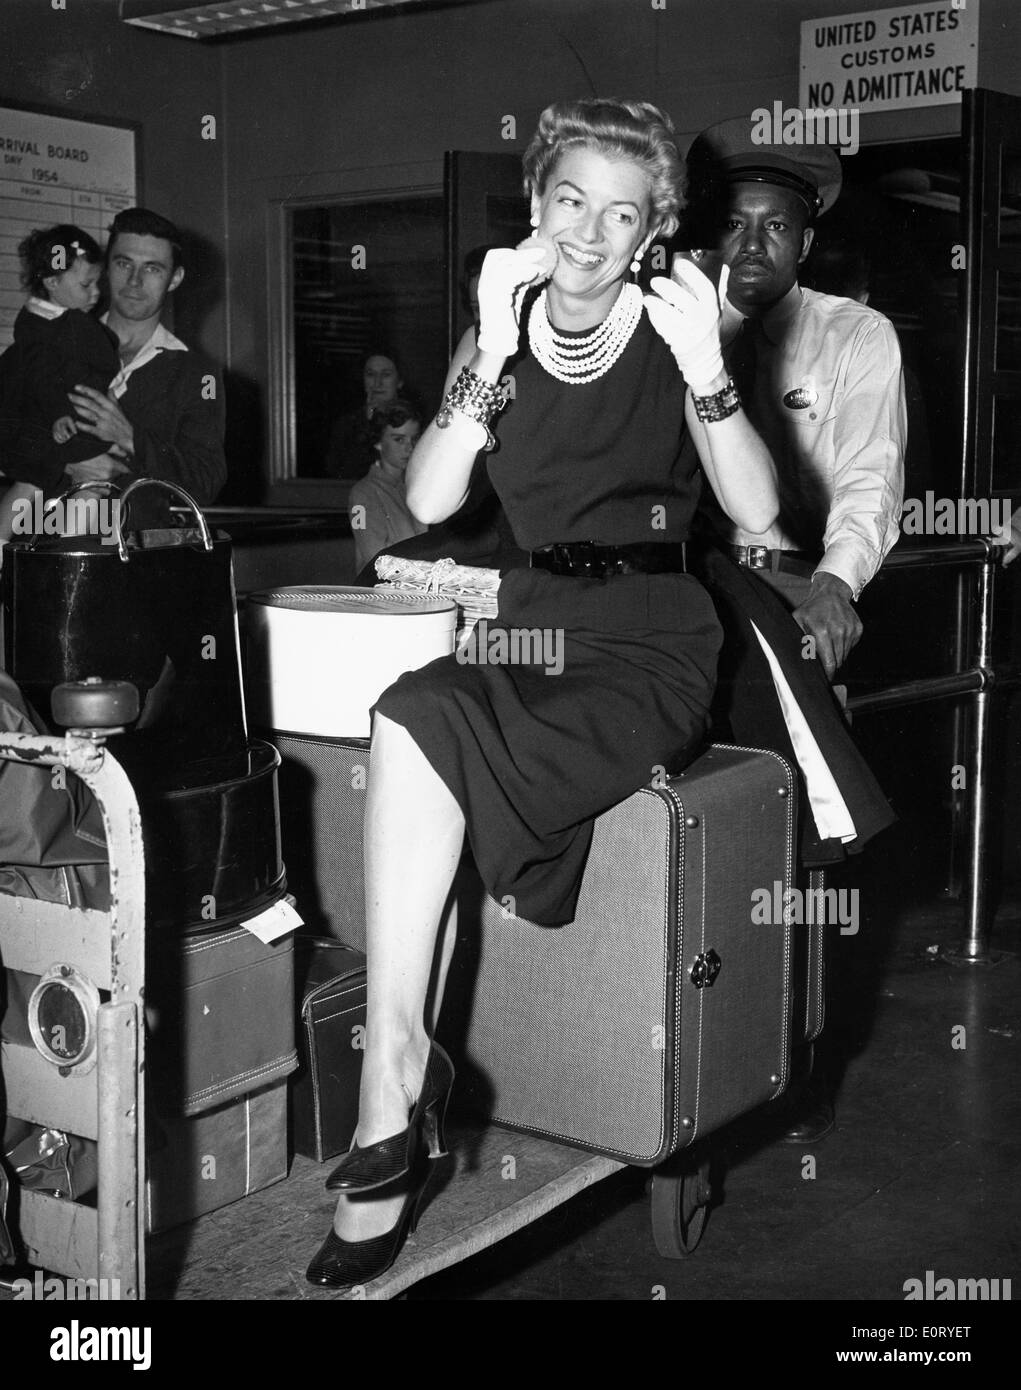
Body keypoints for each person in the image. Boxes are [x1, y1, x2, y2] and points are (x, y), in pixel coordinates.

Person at [305, 97, 781, 1288]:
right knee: (416, 709)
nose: (588, 231)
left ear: (650, 232)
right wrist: (487, 350)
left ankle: (389, 1110)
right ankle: (398, 1070)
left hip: (652, 638)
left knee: (434, 724)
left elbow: (766, 514)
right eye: (569, 200)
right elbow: (425, 500)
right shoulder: (499, 330)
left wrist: (711, 374)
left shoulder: (680, 326)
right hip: (530, 628)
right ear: (536, 208)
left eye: (621, 214)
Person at [686, 117, 906, 683]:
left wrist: (835, 583)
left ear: (805, 243)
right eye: (736, 223)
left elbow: (870, 474)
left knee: (805, 763)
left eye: (777, 225)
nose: (753, 245)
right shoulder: (676, 330)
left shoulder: (857, 334)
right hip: (687, 585)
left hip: (796, 590)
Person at [59, 207, 226, 526]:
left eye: (152, 268)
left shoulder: (199, 374)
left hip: (139, 556)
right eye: (124, 264)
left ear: (175, 278)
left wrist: (130, 438)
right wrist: (65, 466)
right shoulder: (58, 346)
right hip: (49, 543)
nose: (135, 281)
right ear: (106, 269)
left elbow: (206, 480)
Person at [0, 225, 120, 544]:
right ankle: (59, 545)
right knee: (36, 484)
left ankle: (65, 543)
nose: (96, 293)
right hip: (44, 422)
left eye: (98, 283)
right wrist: (58, 413)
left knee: (41, 485)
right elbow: (43, 377)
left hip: (57, 419)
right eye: (86, 284)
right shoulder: (41, 329)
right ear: (52, 282)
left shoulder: (64, 318)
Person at [347, 398, 427, 573]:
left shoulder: (415, 486)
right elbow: (375, 560)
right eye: (399, 440)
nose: (410, 448)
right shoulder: (362, 494)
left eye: (414, 439)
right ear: (378, 442)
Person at [324, 351, 405, 479]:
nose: (377, 383)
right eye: (371, 375)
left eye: (386, 375)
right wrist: (367, 424)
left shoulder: (412, 422)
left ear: (399, 381)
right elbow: (340, 474)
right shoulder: (346, 424)